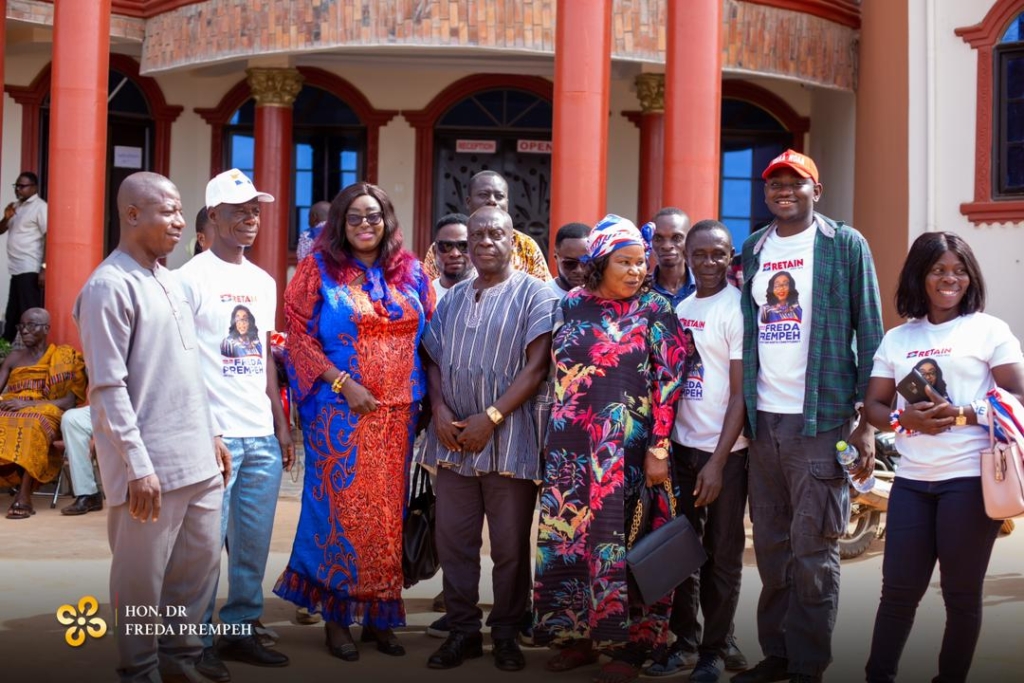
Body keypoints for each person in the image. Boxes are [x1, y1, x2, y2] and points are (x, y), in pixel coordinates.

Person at [74, 171, 230, 683]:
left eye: (182, 211)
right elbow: (107, 389)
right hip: (150, 473)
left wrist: (212, 436)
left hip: (198, 463)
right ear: (132, 215)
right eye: (168, 211)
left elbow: (189, 371)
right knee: (142, 584)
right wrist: (138, 467)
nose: (181, 222)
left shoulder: (172, 280)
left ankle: (179, 664)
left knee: (195, 578)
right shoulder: (107, 287)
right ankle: (139, 671)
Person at [735, 149, 883, 683]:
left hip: (820, 422)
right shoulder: (754, 248)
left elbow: (871, 332)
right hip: (764, 421)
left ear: (815, 191)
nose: (784, 191)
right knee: (772, 547)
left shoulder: (844, 245)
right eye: (775, 183)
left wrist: (866, 425)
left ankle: (807, 663)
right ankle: (776, 653)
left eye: (796, 184)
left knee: (814, 547)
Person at [274, 181, 433, 662]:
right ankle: (337, 617)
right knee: (340, 514)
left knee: (387, 516)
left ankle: (380, 616)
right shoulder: (316, 269)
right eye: (355, 217)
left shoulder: (413, 274)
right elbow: (297, 337)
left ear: (388, 221)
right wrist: (344, 383)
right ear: (341, 224)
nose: (366, 225)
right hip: (338, 414)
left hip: (397, 416)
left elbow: (431, 339)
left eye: (374, 216)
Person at [862, 232, 1024, 683]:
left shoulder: (989, 330)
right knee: (897, 593)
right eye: (939, 270)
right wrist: (902, 421)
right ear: (921, 275)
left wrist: (963, 413)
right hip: (913, 482)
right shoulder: (898, 338)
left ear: (970, 278)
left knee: (961, 595)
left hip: (969, 482)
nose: (950, 278)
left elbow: (1019, 394)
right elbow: (874, 404)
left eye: (959, 270)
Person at [533, 214, 687, 683]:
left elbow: (671, 379)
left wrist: (659, 447)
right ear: (600, 263)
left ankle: (631, 647)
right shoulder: (570, 305)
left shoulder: (656, 309)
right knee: (570, 541)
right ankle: (578, 637)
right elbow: (553, 374)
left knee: (625, 543)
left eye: (641, 262)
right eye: (626, 262)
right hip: (571, 451)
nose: (638, 271)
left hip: (630, 453)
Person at [419, 206, 557, 672]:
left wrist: (492, 416)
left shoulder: (535, 295)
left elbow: (537, 367)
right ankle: (462, 632)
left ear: (512, 240)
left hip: (508, 442)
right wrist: (439, 409)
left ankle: (505, 632)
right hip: (454, 442)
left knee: (509, 547)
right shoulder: (453, 297)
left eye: (494, 234)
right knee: (454, 542)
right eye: (475, 235)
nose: (483, 242)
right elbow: (433, 358)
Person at [179, 168, 295, 680]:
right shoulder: (188, 280)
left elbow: (266, 358)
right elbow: (180, 364)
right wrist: (204, 431)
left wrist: (281, 422)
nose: (252, 218)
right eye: (241, 210)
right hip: (214, 438)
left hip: (260, 436)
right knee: (203, 549)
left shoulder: (264, 281)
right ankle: (196, 639)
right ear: (214, 217)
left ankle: (241, 629)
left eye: (256, 210)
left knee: (251, 545)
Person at [648, 221, 748, 683]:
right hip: (682, 453)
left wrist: (718, 462)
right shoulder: (680, 308)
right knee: (681, 554)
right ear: (686, 255)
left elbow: (740, 395)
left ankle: (713, 651)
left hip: (725, 455)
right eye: (701, 254)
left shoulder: (737, 309)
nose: (709, 263)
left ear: (731, 259)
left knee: (723, 557)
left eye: (719, 255)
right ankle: (684, 643)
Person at [0, 308, 87, 519]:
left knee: (32, 423)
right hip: (12, 407)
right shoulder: (13, 357)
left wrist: (28, 405)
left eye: (32, 325)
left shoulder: (64, 356)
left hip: (46, 409)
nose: (25, 331)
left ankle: (24, 495)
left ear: (46, 328)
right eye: (22, 326)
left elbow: (68, 401)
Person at [422, 170, 550, 282]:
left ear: (507, 203)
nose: (492, 201)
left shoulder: (526, 246)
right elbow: (430, 291)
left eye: (499, 196)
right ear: (468, 201)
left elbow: (542, 291)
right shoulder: (445, 247)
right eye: (484, 195)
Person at [0, 172, 47, 343]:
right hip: (16, 267)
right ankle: (4, 347)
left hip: (30, 267)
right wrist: (6, 218)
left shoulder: (40, 207)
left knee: (30, 312)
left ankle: (35, 350)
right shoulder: (15, 206)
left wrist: (44, 267)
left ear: (34, 187)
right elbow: (1, 229)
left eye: (22, 186)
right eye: (16, 186)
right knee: (12, 311)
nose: (18, 189)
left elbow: (48, 236)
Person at [59, 406, 104, 516]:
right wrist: (95, 433)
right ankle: (88, 493)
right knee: (71, 418)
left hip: (135, 405)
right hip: (105, 405)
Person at [650, 207, 696, 309]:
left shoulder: (704, 288)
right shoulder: (640, 289)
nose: (667, 246)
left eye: (677, 238)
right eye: (658, 238)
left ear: (689, 241)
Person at [431, 212, 474, 300]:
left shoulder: (489, 294)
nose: (455, 254)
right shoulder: (425, 296)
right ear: (435, 251)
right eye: (447, 246)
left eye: (463, 246)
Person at [548, 222, 590, 299]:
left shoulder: (606, 297)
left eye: (586, 262)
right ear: (556, 257)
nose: (579, 270)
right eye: (570, 263)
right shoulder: (541, 296)